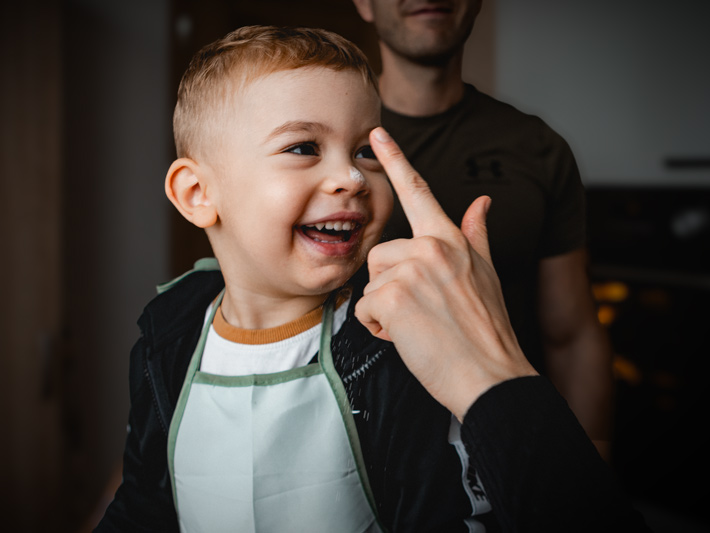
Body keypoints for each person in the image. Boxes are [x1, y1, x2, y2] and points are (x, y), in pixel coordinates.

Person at [96, 25, 648, 532]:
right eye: (303, 147)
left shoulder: (395, 341)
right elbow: (144, 501)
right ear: (198, 195)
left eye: (366, 149)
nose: (353, 177)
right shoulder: (166, 335)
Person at [351, 0, 615, 459]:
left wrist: (589, 474)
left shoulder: (537, 148)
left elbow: (571, 335)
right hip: (363, 456)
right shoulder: (328, 144)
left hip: (511, 452)